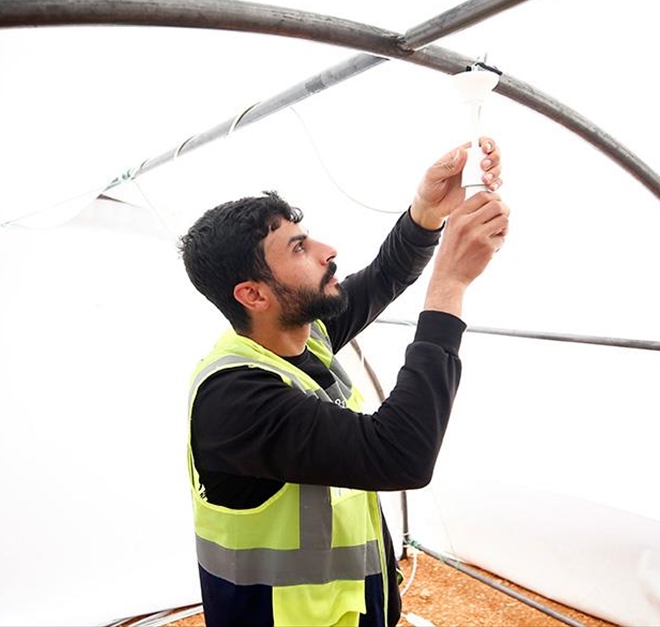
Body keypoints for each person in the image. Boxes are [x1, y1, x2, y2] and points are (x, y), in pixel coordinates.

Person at [177, 137, 510, 627]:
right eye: (299, 248)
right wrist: (450, 286)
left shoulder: (304, 339)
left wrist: (426, 212)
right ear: (253, 294)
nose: (327, 250)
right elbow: (402, 454)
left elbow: (383, 275)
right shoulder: (237, 400)